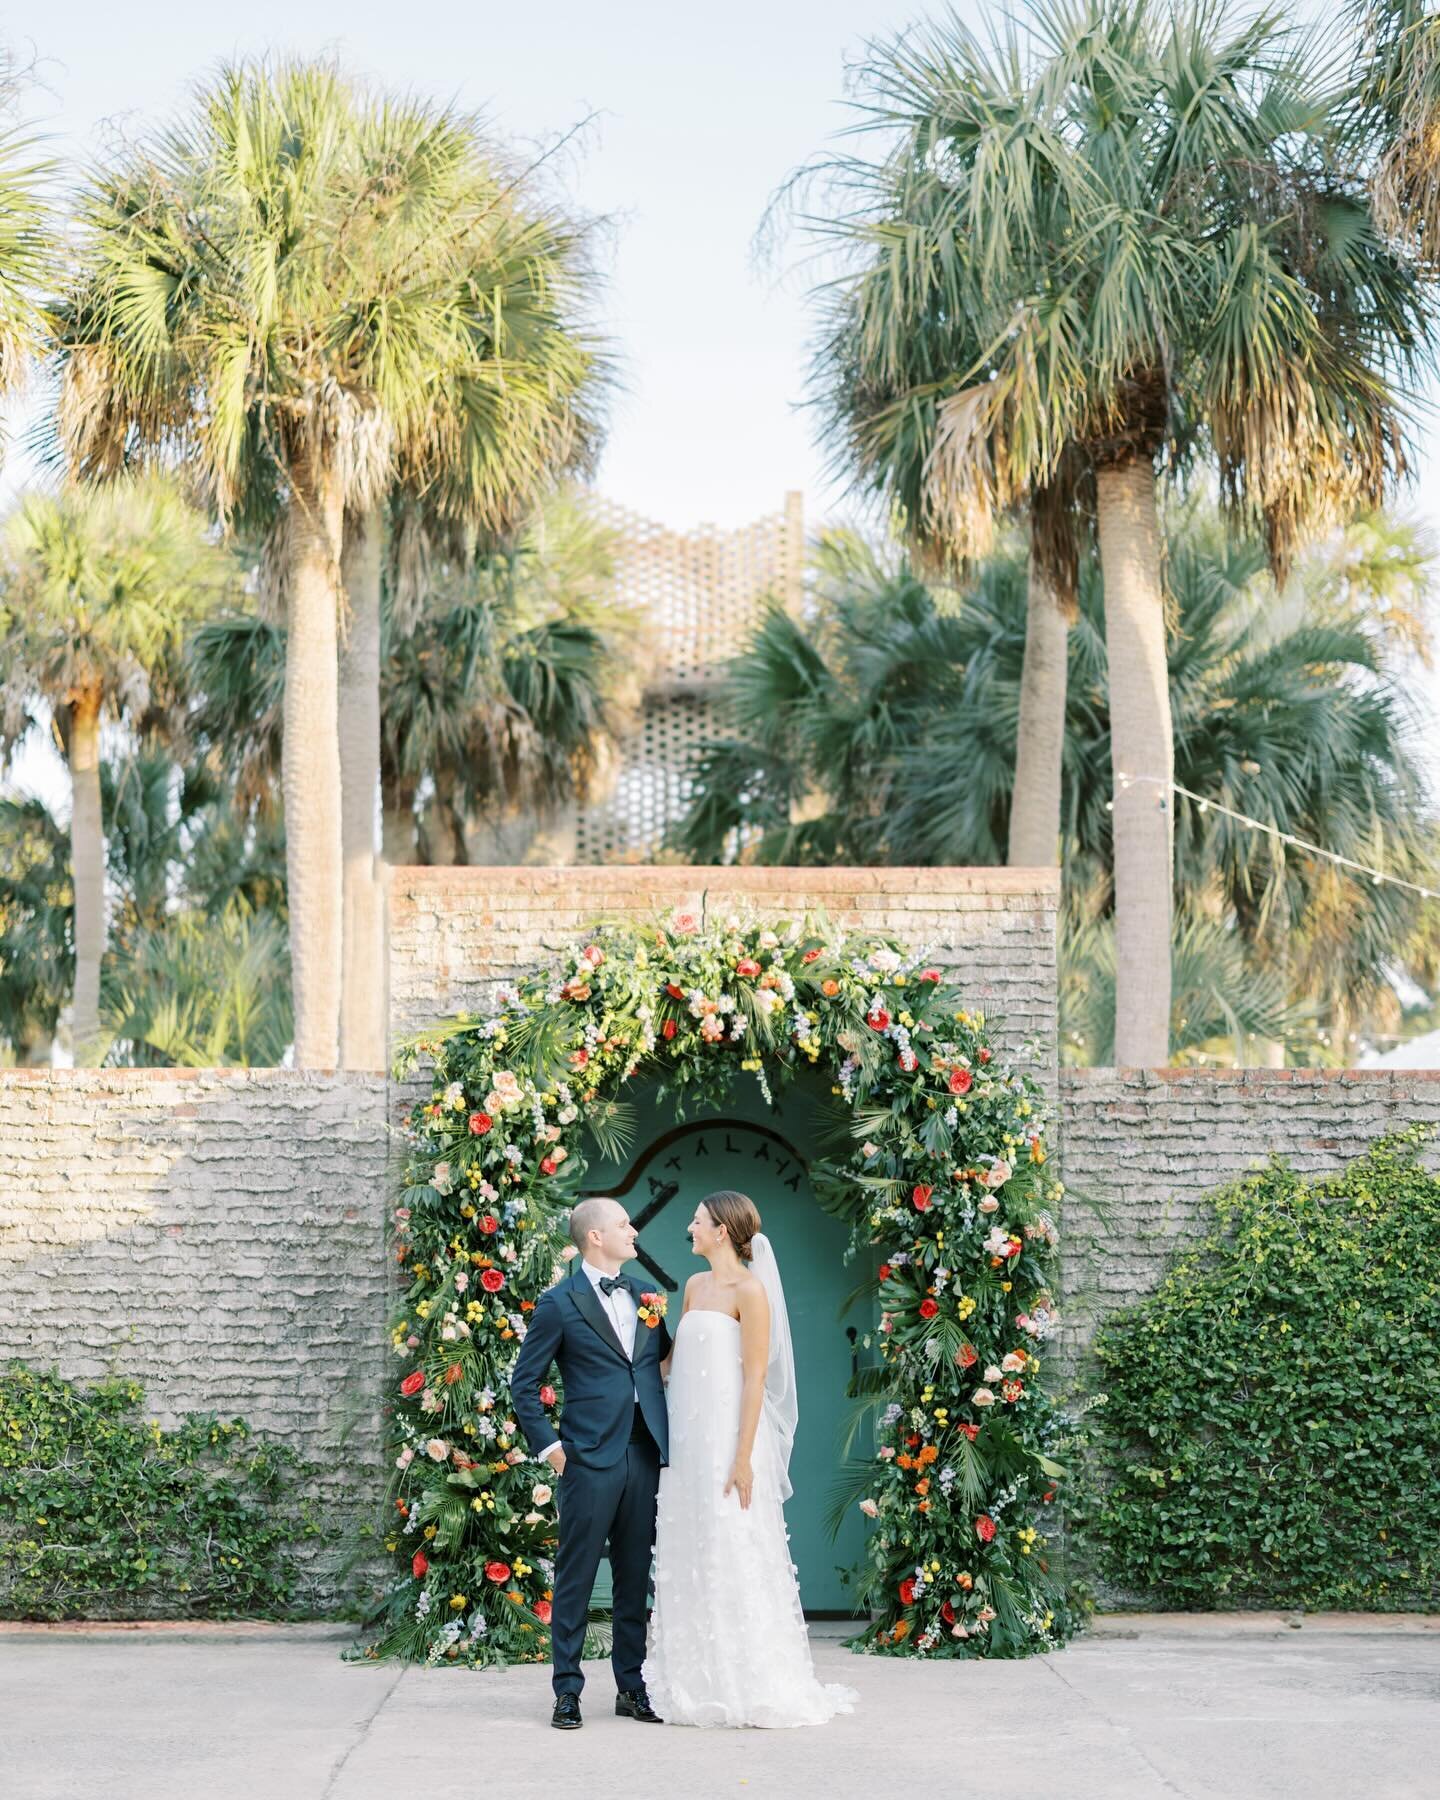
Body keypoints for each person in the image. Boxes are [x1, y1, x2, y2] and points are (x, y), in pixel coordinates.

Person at [642, 1189, 858, 1728]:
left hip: (729, 1441)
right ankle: (692, 1680)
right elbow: (676, 1364)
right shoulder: (692, 1286)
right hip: (687, 1444)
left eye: (696, 1220)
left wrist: (742, 1459)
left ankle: (749, 1680)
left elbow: (757, 1377)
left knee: (731, 1545)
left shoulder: (751, 1291)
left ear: (720, 1231)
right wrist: (642, 1327)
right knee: (689, 1546)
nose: (689, 1228)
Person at [510, 1196, 671, 1730]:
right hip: (587, 1459)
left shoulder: (647, 1295)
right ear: (595, 1236)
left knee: (633, 1575)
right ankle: (567, 1692)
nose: (632, 1230)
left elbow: (666, 1364)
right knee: (577, 1576)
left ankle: (631, 1686)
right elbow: (524, 1386)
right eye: (623, 1223)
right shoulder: (560, 1303)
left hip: (644, 1453)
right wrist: (552, 1450)